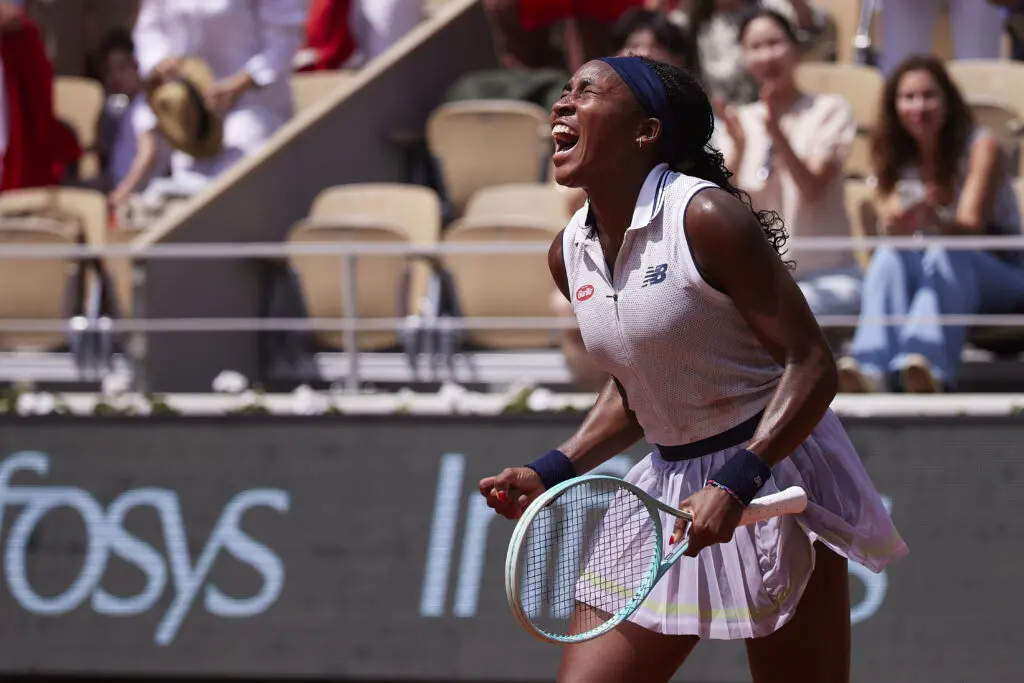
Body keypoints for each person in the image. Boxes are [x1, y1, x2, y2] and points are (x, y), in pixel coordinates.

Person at [479, 55, 906, 682]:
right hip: (668, 487)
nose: (562, 105)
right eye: (563, 91)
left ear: (645, 132)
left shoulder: (706, 218)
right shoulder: (566, 255)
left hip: (774, 474)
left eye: (587, 93)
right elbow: (639, 385)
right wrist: (552, 469)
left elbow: (812, 366)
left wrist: (737, 482)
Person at [837, 56, 1024, 394]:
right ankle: (870, 366)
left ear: (949, 101)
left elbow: (971, 226)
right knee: (891, 255)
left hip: (1005, 276)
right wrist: (897, 224)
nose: (918, 106)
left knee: (945, 252)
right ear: (894, 105)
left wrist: (931, 219)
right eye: (908, 97)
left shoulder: (981, 147)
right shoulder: (892, 154)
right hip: (932, 273)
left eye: (929, 95)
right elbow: (891, 219)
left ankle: (927, 363)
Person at [714, 10, 860, 318]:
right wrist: (738, 151)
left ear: (795, 47)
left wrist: (777, 135)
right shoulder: (738, 122)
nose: (767, 56)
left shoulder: (828, 110)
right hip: (764, 280)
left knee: (782, 311)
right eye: (755, 47)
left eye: (775, 43)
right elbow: (726, 210)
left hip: (829, 277)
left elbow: (813, 189)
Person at [132, 0, 306, 197]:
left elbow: (283, 41)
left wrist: (239, 84)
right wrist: (161, 61)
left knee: (236, 193)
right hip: (194, 120)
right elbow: (149, 30)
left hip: (254, 109)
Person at [687, 0, 830, 106]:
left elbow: (815, 32)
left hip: (778, 113)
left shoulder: (769, 7)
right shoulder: (698, 22)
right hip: (722, 123)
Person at [94, 30, 169, 212]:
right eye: (109, 70)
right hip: (123, 188)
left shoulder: (145, 107)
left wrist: (123, 192)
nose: (115, 77)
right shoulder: (131, 105)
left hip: (139, 197)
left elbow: (148, 153)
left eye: (122, 68)